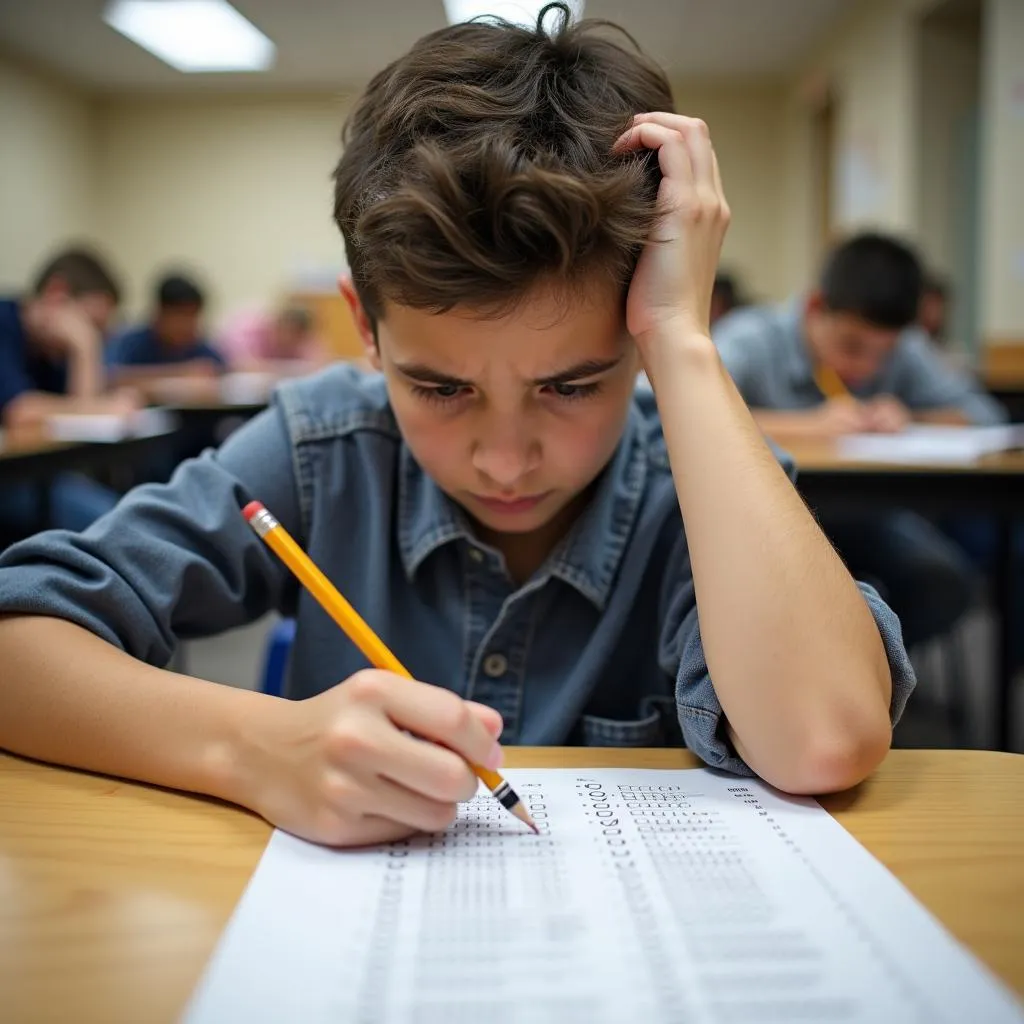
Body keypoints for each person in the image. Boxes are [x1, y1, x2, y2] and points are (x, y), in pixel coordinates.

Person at [0, 6, 913, 849]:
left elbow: (825, 740)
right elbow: (19, 639)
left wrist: (680, 337)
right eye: (439, 388)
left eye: (572, 386)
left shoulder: (706, 484)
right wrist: (253, 745)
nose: (505, 460)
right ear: (365, 326)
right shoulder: (325, 448)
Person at [713, 232, 1005, 649]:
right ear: (815, 307)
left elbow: (984, 416)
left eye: (882, 355)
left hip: (867, 515)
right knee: (775, 596)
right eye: (852, 346)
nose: (866, 368)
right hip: (768, 520)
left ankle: (868, 674)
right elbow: (686, 412)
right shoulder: (753, 337)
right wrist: (809, 424)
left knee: (941, 581)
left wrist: (911, 417)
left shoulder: (904, 346)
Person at [0, 247, 136, 534]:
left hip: (36, 475)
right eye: (89, 324)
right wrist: (85, 347)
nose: (90, 335)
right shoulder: (4, 322)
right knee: (114, 527)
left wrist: (82, 354)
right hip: (11, 478)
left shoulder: (51, 352)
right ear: (56, 293)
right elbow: (20, 412)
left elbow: (80, 422)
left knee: (125, 514)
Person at [106, 274, 225, 399]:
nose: (187, 325)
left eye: (193, 316)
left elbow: (221, 372)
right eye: (181, 316)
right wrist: (181, 373)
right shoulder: (131, 343)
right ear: (160, 312)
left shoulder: (199, 346)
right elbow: (112, 378)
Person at [216, 303, 327, 372]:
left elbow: (321, 365)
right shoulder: (249, 328)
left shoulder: (304, 339)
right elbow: (237, 365)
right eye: (287, 331)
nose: (288, 339)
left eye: (297, 336)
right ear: (278, 324)